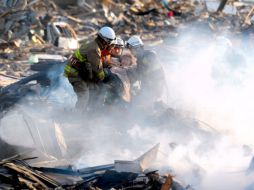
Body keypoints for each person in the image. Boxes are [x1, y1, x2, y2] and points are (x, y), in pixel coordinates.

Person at [64, 26, 116, 111]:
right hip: (74, 73)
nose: (109, 45)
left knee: (95, 89)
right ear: (104, 41)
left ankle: (90, 113)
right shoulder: (94, 49)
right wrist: (107, 75)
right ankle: (76, 117)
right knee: (84, 95)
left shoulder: (94, 45)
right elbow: (97, 70)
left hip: (80, 72)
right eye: (109, 43)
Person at [126, 35, 166, 104]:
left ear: (137, 48)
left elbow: (147, 74)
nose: (131, 52)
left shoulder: (149, 56)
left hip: (153, 89)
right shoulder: (141, 58)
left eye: (131, 49)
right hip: (149, 88)